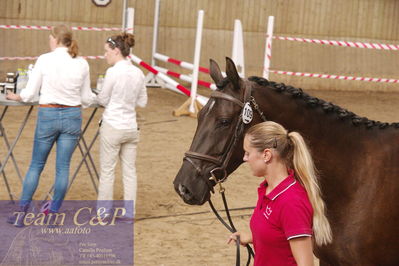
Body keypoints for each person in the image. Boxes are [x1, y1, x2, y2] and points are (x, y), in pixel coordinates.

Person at [6, 25, 96, 227]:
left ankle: (22, 214)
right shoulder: (82, 63)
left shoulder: (44, 59)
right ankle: (53, 214)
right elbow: (86, 98)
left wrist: (17, 96)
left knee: (36, 165)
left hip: (48, 114)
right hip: (72, 115)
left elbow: (30, 94)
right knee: (62, 167)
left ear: (55, 40)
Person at [228, 121, 332, 266]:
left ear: (266, 155)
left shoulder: (291, 202)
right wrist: (252, 236)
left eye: (248, 153)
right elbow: (278, 233)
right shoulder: (267, 189)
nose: (245, 158)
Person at [95, 32, 147, 223]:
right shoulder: (138, 73)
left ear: (116, 51)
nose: (105, 55)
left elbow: (102, 98)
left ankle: (103, 213)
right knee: (130, 171)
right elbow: (142, 101)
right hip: (131, 127)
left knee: (108, 171)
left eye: (107, 51)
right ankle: (129, 212)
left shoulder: (113, 72)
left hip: (113, 125)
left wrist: (101, 98)